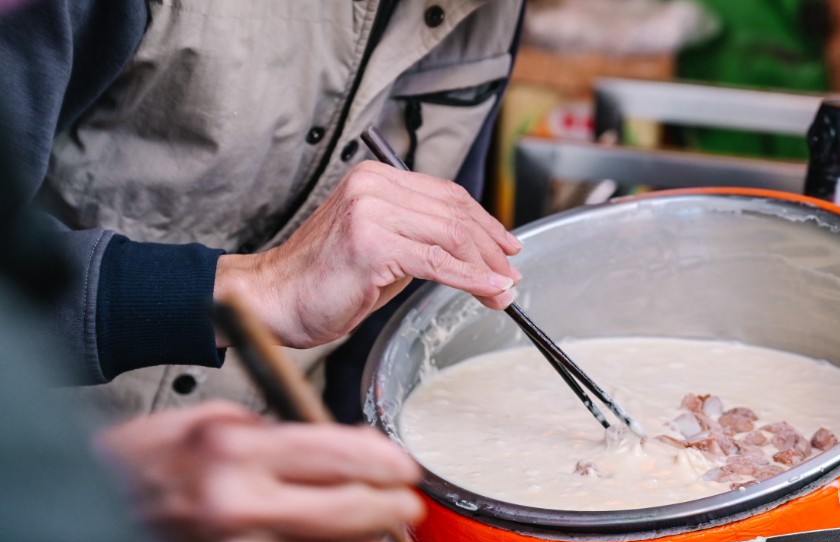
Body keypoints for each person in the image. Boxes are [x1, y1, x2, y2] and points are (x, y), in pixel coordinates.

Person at [0, 0, 526, 423]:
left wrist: (357, 470)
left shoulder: (495, 12)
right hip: (57, 476)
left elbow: (409, 289)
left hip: (275, 493)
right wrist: (256, 289)